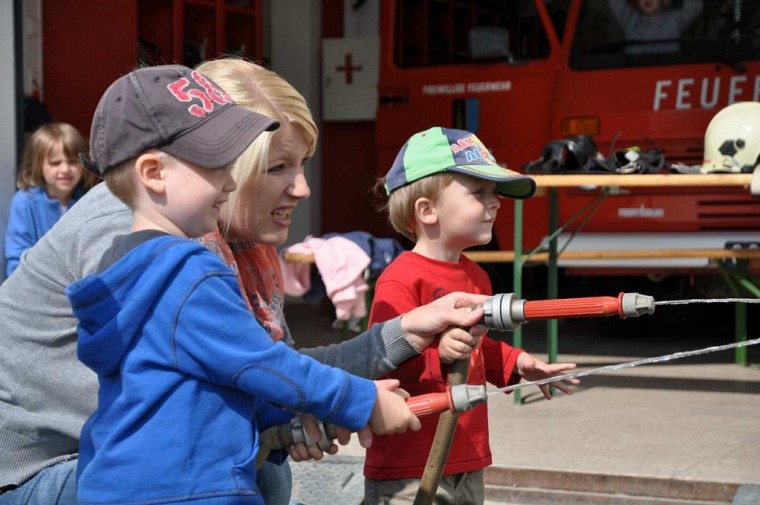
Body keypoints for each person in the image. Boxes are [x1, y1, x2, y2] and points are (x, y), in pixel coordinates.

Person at [0, 61, 488, 505]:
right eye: (278, 167)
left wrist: (401, 334)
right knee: (244, 472)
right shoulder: (138, 233)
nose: (303, 188)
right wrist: (346, 402)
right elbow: (249, 373)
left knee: (261, 468)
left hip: (115, 462)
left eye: (302, 164)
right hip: (45, 472)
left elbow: (260, 366)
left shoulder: (226, 237)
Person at [363, 127, 582, 504]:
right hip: (409, 466)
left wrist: (518, 363)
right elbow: (380, 362)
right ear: (427, 210)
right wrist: (440, 353)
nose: (495, 203)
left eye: (494, 193)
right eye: (479, 193)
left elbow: (478, 349)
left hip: (467, 456)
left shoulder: (476, 276)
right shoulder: (400, 279)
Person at [4, 122, 98, 277]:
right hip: (37, 286)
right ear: (38, 165)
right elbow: (16, 262)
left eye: (73, 162)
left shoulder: (88, 201)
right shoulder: (24, 202)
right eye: (55, 163)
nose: (65, 169)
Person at [607, 0, 703, 54]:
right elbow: (615, 3)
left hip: (665, 75)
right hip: (635, 75)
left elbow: (694, 7)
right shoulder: (631, 19)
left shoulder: (675, 20)